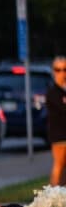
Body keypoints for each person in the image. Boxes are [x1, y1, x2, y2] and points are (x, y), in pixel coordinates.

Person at [49, 56, 66, 185]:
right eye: (58, 69)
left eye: (65, 69)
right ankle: (53, 195)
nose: (62, 73)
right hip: (59, 136)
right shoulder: (53, 91)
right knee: (59, 166)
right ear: (53, 71)